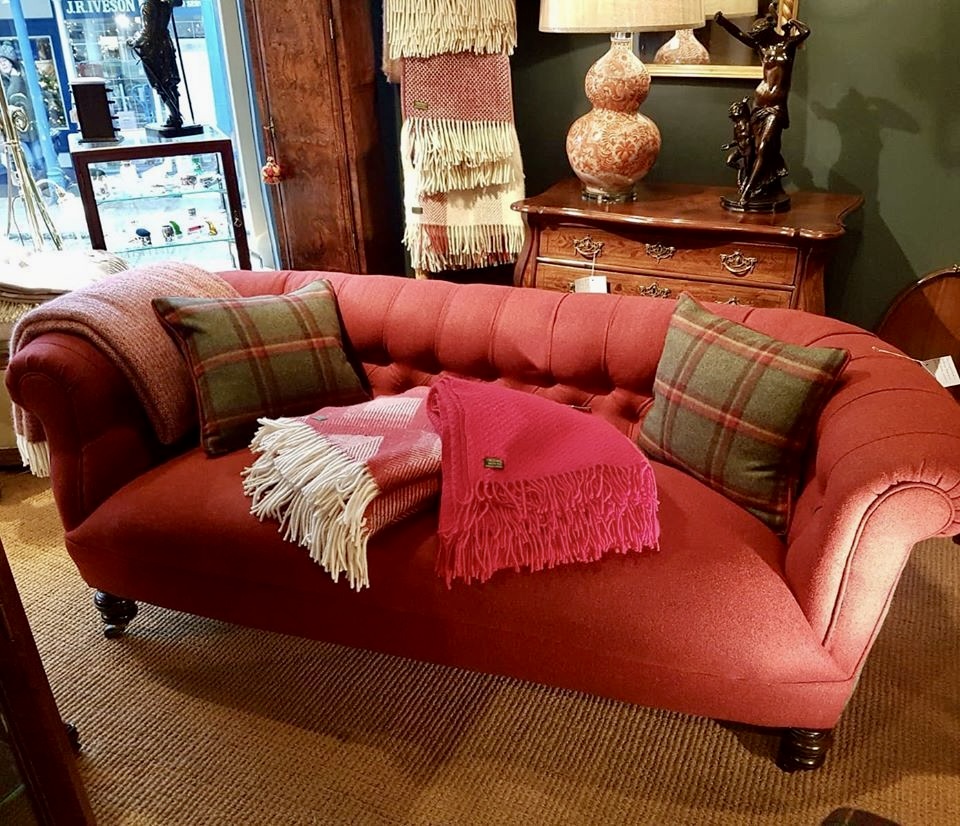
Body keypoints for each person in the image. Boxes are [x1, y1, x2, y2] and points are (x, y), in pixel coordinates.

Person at [714, 5, 810, 209]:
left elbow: (805, 32)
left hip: (776, 107)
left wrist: (792, 22)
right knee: (753, 148)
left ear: (768, 31)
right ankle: (758, 185)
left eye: (758, 34)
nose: (755, 38)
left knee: (765, 146)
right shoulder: (762, 48)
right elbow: (739, 35)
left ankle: (748, 191)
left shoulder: (787, 44)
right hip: (759, 104)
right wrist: (723, 23)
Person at [128, 0, 184, 130]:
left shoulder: (149, 5)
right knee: (169, 83)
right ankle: (175, 116)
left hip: (154, 48)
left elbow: (148, 31)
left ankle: (175, 116)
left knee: (161, 84)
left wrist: (134, 41)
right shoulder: (165, 4)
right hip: (165, 45)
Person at [0, 42, 44, 181]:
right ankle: (34, 185)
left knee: (39, 160)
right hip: (16, 130)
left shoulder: (25, 75)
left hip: (33, 127)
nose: (2, 64)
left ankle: (44, 185)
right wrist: (15, 78)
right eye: (0, 62)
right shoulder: (4, 82)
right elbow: (9, 98)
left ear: (11, 61)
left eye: (5, 60)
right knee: (29, 162)